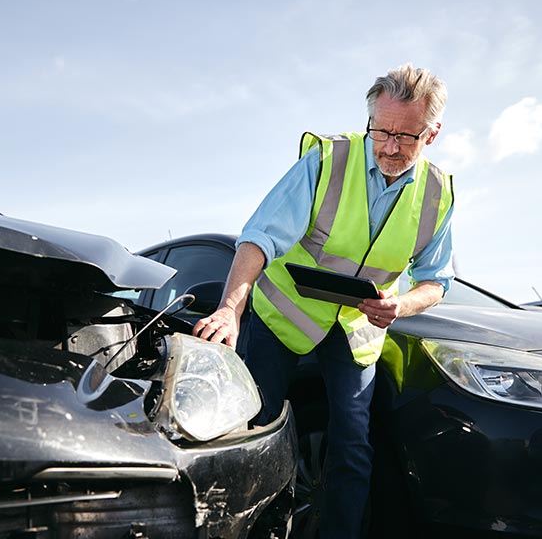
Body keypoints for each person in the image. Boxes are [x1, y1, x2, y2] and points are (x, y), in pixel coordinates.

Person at [193, 63, 454, 539]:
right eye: (382, 132)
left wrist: (403, 306)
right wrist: (230, 308)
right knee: (257, 430)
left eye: (407, 137)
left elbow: (436, 280)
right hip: (282, 316)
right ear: (370, 120)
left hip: (357, 332)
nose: (391, 147)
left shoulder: (438, 193)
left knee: (353, 447)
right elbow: (259, 237)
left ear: (431, 134)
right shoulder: (328, 160)